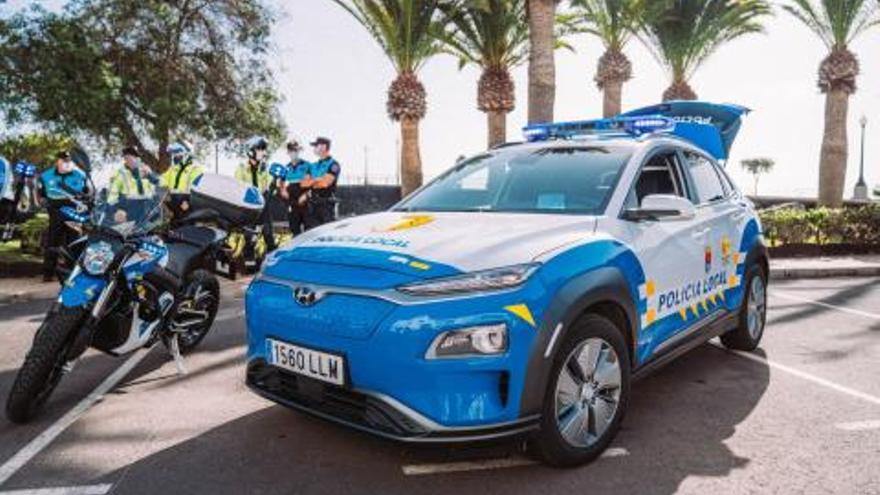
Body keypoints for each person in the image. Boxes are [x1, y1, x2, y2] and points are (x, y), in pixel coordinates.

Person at [35, 151, 92, 281]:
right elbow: (40, 194)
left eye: (69, 161)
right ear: (58, 161)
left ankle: (71, 274)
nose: (66, 164)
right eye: (64, 161)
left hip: (74, 213)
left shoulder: (80, 175)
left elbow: (87, 194)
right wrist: (43, 203)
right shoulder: (46, 176)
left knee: (74, 243)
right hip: (55, 212)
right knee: (52, 242)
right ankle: (47, 274)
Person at [234, 137, 276, 251]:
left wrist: (273, 183)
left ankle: (271, 258)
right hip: (248, 208)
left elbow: (269, 186)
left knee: (268, 235)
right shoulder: (241, 168)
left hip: (263, 206)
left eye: (264, 149)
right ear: (251, 151)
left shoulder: (265, 168)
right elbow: (238, 188)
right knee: (249, 238)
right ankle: (249, 263)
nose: (263, 152)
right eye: (260, 149)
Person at [303, 137, 340, 228]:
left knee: (327, 232)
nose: (314, 148)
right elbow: (304, 183)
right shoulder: (312, 166)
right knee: (310, 232)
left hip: (326, 205)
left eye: (316, 146)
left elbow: (325, 183)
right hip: (312, 205)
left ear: (323, 147)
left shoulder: (333, 164)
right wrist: (319, 179)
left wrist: (312, 180)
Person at [160, 141, 203, 219]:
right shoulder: (173, 169)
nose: (175, 157)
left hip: (186, 202)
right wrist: (150, 178)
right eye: (174, 155)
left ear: (187, 154)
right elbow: (161, 180)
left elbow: (197, 188)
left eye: (178, 155)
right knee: (173, 226)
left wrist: (188, 201)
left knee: (186, 225)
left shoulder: (195, 169)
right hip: (173, 200)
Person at [280, 140, 312, 235]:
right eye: (291, 150)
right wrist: (283, 190)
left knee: (309, 229)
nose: (293, 153)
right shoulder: (285, 168)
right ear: (288, 153)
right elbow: (281, 183)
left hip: (306, 201)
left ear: (299, 151)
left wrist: (306, 195)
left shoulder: (307, 165)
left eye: (295, 150)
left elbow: (313, 184)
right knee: (294, 229)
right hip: (292, 202)